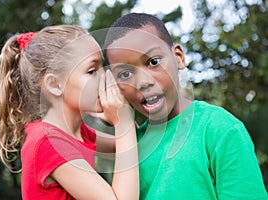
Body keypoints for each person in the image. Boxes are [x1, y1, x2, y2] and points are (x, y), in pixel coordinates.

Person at [104, 13, 268, 199]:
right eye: (125, 74)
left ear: (179, 57)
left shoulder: (219, 128)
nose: (142, 82)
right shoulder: (130, 149)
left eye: (153, 62)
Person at [0, 25, 139, 200]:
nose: (106, 76)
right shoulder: (48, 142)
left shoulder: (76, 132)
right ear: (55, 85)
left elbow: (131, 145)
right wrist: (123, 123)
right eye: (92, 71)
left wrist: (122, 122)